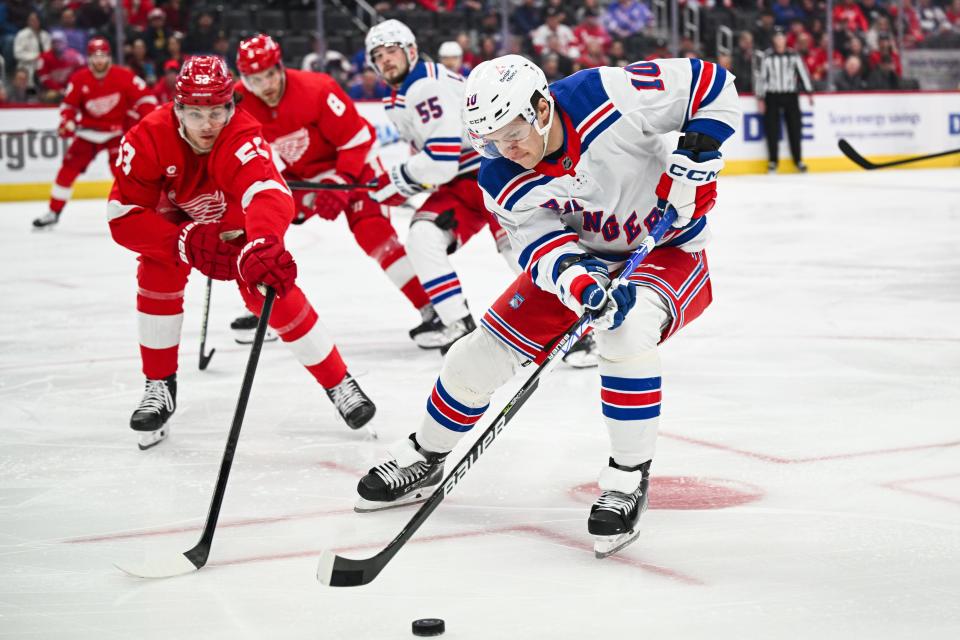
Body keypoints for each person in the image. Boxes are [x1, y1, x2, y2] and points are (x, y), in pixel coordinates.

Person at [353, 54, 738, 557]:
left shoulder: (604, 93)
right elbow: (540, 248)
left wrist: (703, 142)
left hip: (667, 249)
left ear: (540, 107)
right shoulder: (499, 175)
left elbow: (710, 82)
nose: (504, 149)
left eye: (511, 132)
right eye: (489, 140)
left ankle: (626, 479)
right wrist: (582, 284)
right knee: (474, 357)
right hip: (585, 261)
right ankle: (426, 455)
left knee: (625, 334)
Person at [107, 55, 376, 450]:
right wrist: (182, 241)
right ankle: (159, 385)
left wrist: (265, 241)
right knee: (157, 267)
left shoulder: (243, 134)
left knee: (266, 280)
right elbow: (122, 216)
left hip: (231, 217)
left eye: (217, 111)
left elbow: (267, 192)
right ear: (177, 108)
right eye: (196, 114)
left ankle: (339, 382)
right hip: (174, 219)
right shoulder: (146, 137)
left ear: (231, 106)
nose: (208, 125)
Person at [365, 21, 582, 357]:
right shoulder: (402, 93)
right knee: (423, 236)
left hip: (499, 171)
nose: (385, 60)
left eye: (391, 51)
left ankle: (576, 329)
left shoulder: (425, 87)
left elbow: (440, 160)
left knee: (525, 250)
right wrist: (405, 180)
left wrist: (398, 178)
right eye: (378, 56)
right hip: (461, 184)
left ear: (409, 51)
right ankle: (458, 322)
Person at [234, 34, 433, 344]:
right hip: (302, 178)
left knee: (373, 232)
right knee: (259, 230)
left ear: (280, 66)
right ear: (244, 79)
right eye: (256, 80)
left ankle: (432, 309)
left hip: (354, 169)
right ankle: (265, 308)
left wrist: (339, 184)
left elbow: (356, 140)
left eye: (271, 74)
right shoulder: (237, 102)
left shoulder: (317, 88)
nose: (267, 85)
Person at [33, 38, 158, 229]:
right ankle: (53, 212)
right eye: (95, 56)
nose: (99, 61)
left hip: (116, 135)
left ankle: (135, 212)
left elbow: (146, 98)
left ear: (109, 57)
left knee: (123, 174)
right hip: (88, 134)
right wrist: (67, 121)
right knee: (68, 169)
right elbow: (69, 106)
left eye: (103, 56)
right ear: (89, 58)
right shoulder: (79, 78)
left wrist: (147, 121)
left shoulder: (124, 76)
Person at [755, 29, 813, 173]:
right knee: (772, 129)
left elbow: (802, 73)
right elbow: (762, 78)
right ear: (774, 40)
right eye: (777, 38)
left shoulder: (793, 55)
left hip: (790, 95)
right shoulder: (767, 56)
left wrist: (809, 92)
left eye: (782, 37)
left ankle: (798, 160)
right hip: (772, 95)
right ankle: (773, 161)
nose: (780, 40)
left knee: (795, 128)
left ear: (785, 40)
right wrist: (760, 97)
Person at [35, 30, 84, 102]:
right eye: (54, 42)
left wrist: (71, 88)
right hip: (51, 90)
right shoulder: (44, 58)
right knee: (51, 96)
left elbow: (81, 73)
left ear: (65, 43)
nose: (57, 44)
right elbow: (44, 79)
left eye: (59, 42)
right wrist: (59, 89)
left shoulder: (74, 55)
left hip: (70, 88)